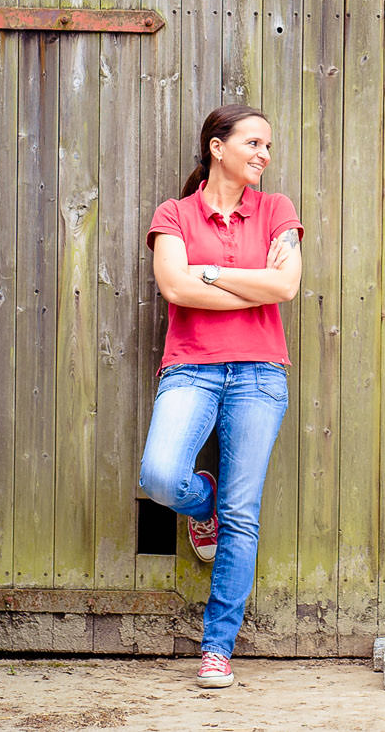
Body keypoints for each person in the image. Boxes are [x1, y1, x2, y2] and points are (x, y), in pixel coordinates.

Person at [139, 104, 303, 689]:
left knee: (243, 515)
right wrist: (243, 283)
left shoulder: (277, 210)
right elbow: (174, 286)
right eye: (254, 143)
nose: (263, 155)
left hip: (260, 373)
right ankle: (197, 501)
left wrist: (207, 275)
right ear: (217, 146)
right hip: (191, 369)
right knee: (160, 476)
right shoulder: (175, 213)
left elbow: (285, 285)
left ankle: (217, 648)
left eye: (267, 146)